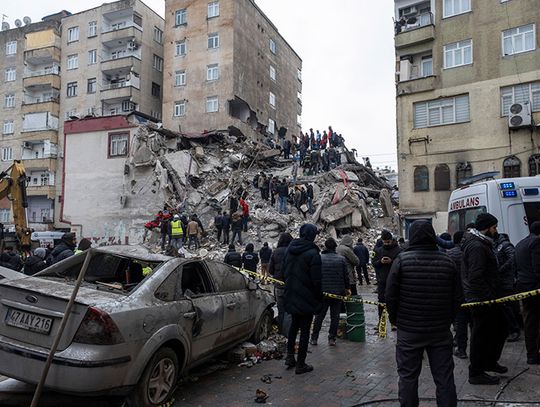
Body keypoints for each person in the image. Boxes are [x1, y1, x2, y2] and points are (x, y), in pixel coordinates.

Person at [386, 220, 461, 407]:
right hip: (440, 331)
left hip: (409, 331)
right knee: (444, 378)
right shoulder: (448, 262)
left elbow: (390, 297)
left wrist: (396, 320)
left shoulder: (402, 261)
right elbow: (457, 298)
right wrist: (448, 320)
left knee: (408, 377)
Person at [461, 213, 508, 385]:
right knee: (480, 334)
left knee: (499, 328)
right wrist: (488, 297)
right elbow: (476, 276)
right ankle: (476, 372)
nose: (496, 231)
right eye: (494, 228)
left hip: (487, 297)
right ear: (487, 228)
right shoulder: (477, 246)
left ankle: (489, 361)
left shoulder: (482, 243)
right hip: (481, 299)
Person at [283, 224, 322, 374]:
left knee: (294, 326)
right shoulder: (313, 254)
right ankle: (301, 364)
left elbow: (284, 272)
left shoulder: (289, 250)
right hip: (306, 298)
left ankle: (290, 357)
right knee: (305, 330)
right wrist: (319, 299)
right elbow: (316, 280)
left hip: (291, 295)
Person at [311, 238, 350, 346]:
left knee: (319, 316)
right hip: (337, 293)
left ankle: (314, 338)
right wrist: (347, 288)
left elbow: (315, 275)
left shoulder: (319, 258)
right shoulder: (341, 259)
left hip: (323, 293)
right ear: (335, 247)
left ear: (325, 247)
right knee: (335, 317)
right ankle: (331, 338)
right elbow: (346, 276)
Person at [515, 221, 540, 365]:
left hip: (522, 286)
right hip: (535, 288)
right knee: (533, 321)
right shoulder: (536, 242)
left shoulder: (520, 243)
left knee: (530, 320)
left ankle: (532, 352)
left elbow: (515, 266)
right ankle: (533, 354)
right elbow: (538, 268)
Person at [494, 231, 521, 342]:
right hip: (501, 281)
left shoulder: (505, 245)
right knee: (505, 306)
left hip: (507, 280)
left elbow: (512, 258)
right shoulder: (496, 246)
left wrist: (501, 269)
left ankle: (514, 330)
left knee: (508, 306)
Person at [447, 231, 470, 359]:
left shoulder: (449, 254)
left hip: (457, 295)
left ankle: (461, 349)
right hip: (471, 294)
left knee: (460, 324)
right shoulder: (468, 253)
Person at [373, 230, 402, 326]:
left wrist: (392, 261)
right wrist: (380, 261)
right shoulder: (379, 250)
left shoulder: (398, 250)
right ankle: (381, 322)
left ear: (391, 240)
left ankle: (394, 322)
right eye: (384, 242)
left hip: (394, 280)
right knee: (381, 301)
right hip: (382, 280)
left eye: (388, 242)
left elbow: (401, 264)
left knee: (394, 301)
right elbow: (374, 263)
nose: (386, 244)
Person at [269, 233, 293, 336]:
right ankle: (287, 334)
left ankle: (280, 332)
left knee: (280, 310)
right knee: (289, 311)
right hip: (290, 285)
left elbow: (271, 270)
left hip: (278, 286)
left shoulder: (275, 252)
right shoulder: (292, 252)